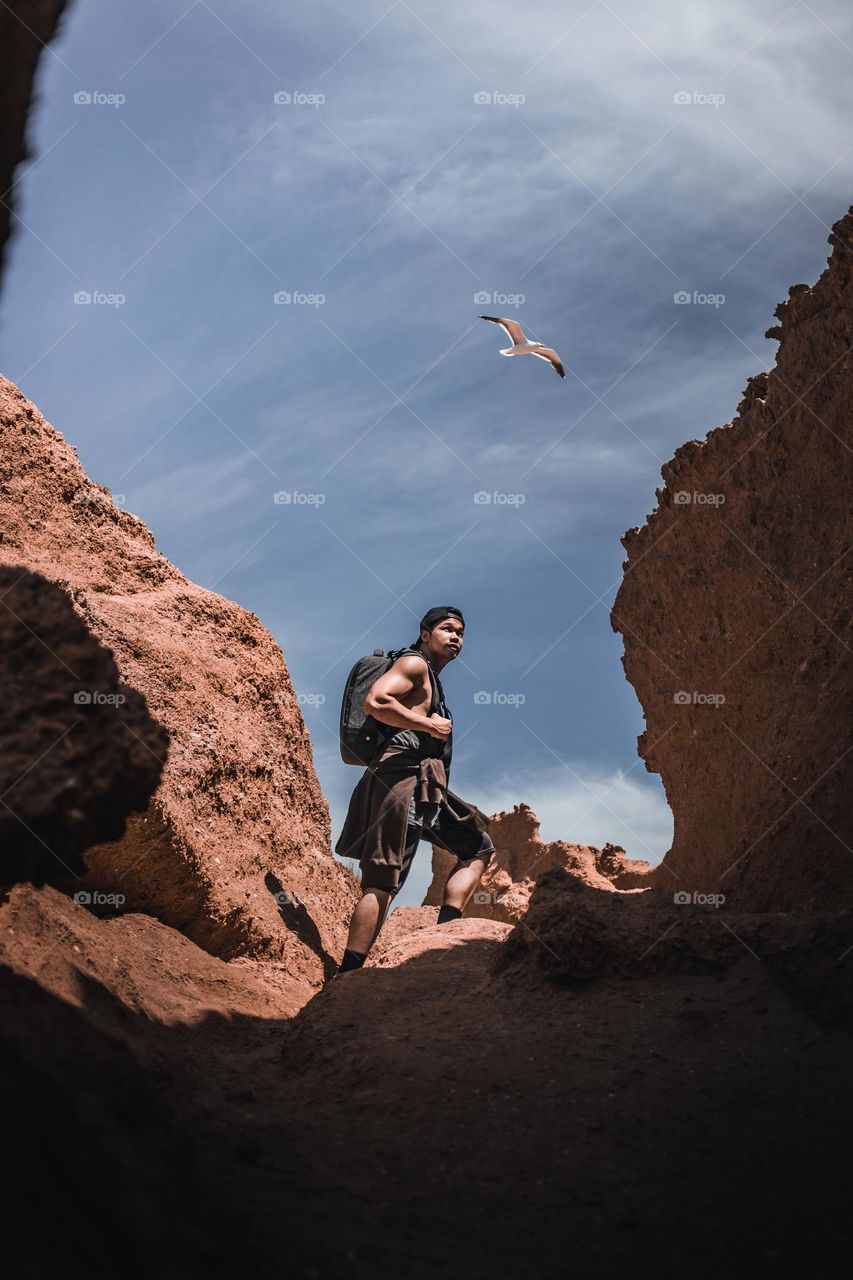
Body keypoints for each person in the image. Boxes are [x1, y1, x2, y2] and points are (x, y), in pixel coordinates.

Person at [331, 605, 495, 976]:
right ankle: (348, 973)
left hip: (423, 785)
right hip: (402, 780)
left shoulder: (430, 676)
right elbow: (377, 701)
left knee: (477, 846)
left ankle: (444, 937)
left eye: (461, 632)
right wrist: (427, 725)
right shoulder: (414, 664)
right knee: (383, 880)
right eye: (447, 629)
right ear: (425, 634)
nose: (456, 637)